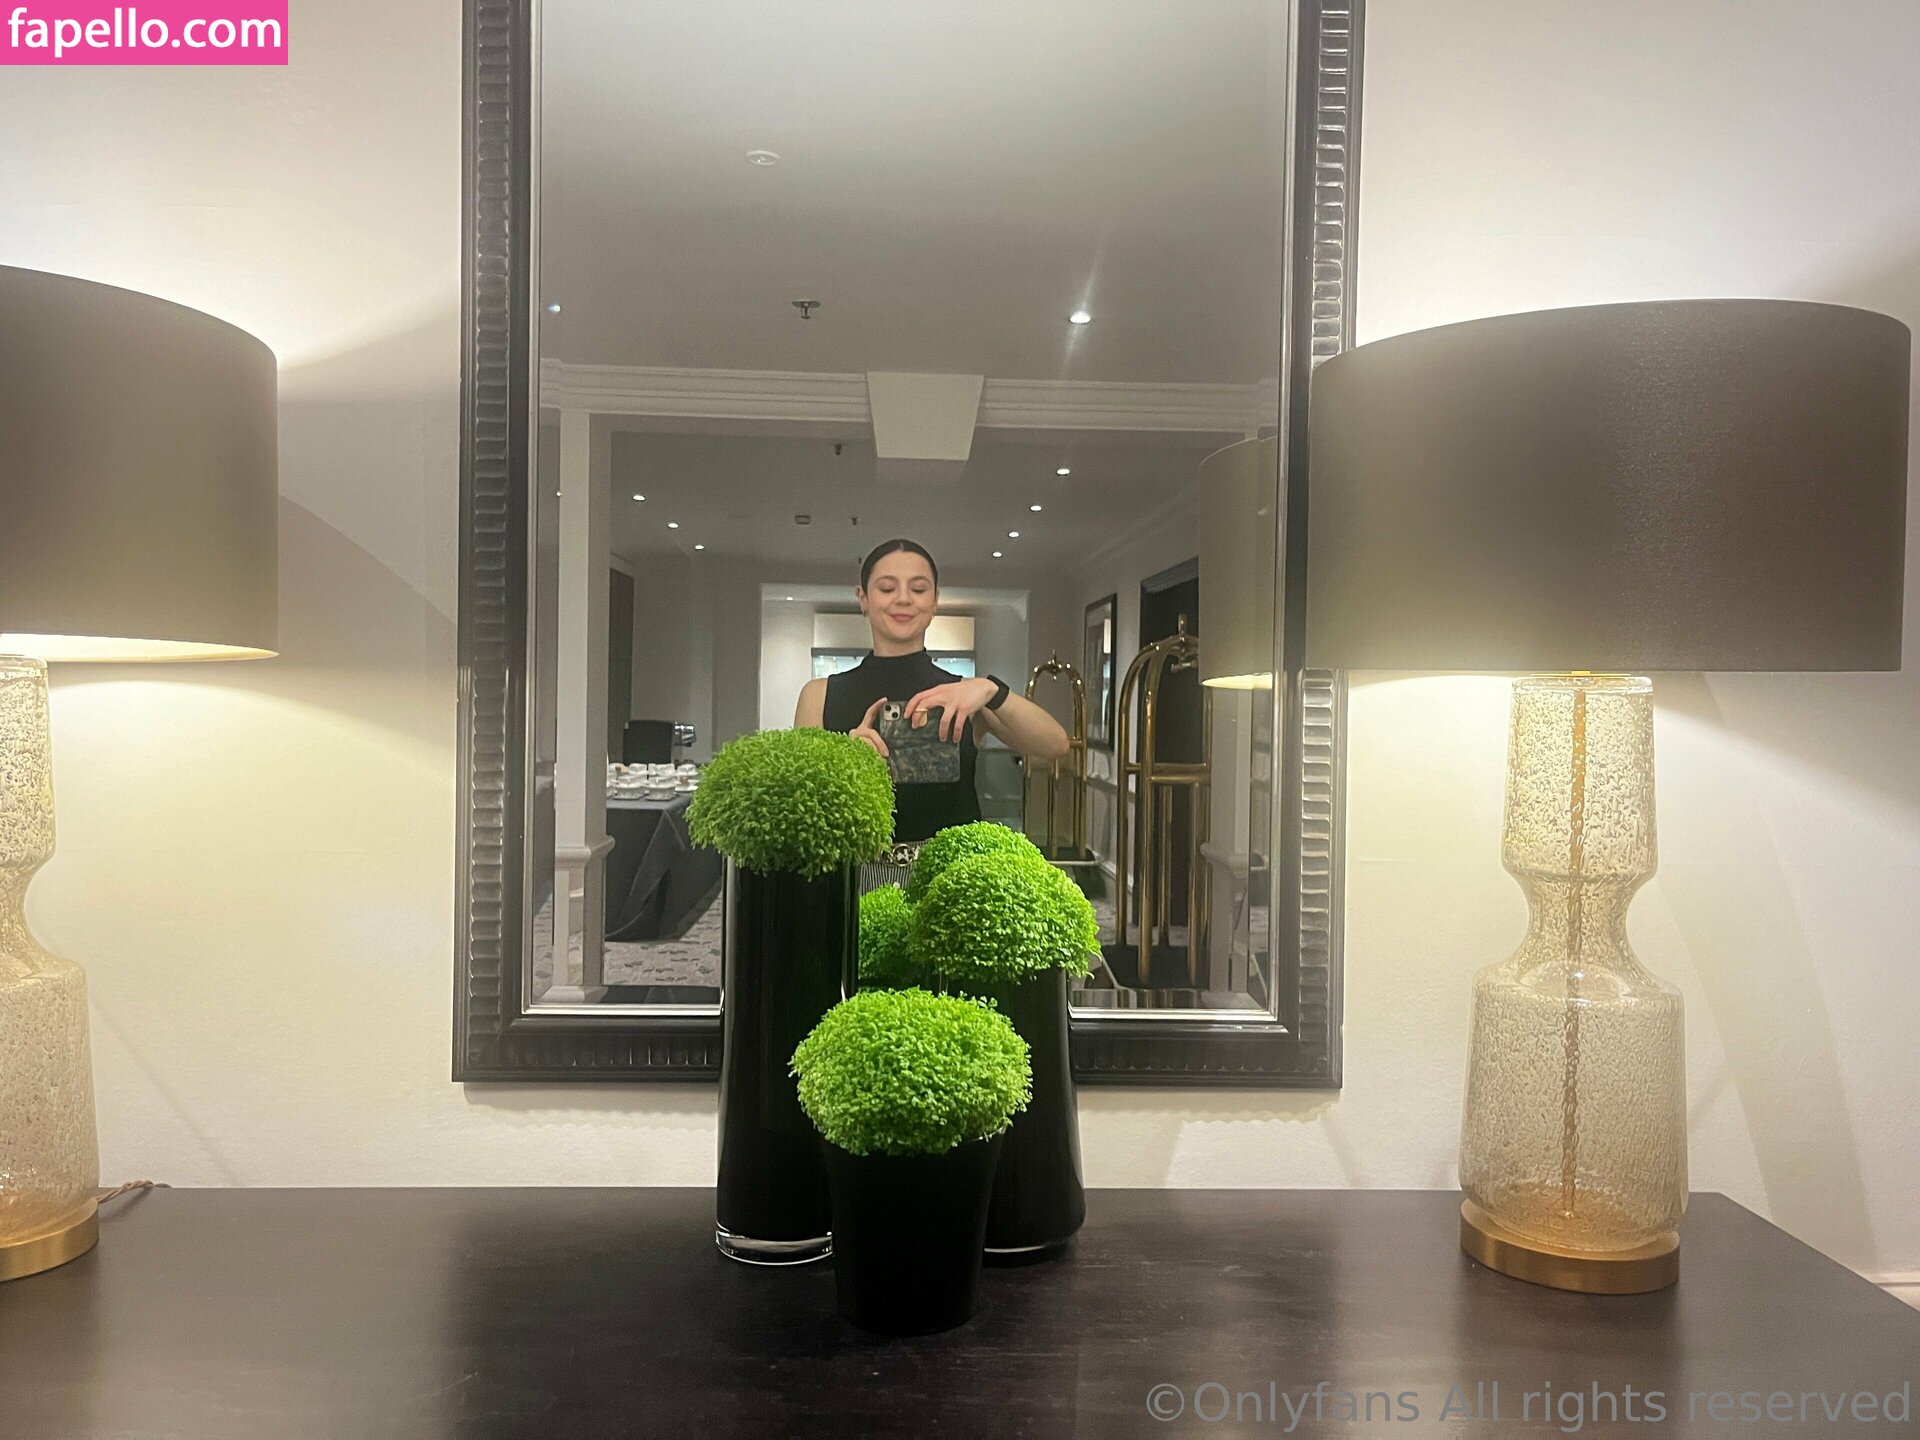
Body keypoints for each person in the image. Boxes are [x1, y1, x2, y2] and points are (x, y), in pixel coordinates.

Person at [795, 538, 1070, 842]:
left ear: (935, 600)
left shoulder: (965, 695)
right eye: (887, 588)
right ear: (863, 598)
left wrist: (992, 690)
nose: (903, 599)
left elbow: (1055, 745)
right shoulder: (819, 695)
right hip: (854, 867)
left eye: (918, 589)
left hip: (955, 867)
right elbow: (799, 810)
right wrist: (843, 763)